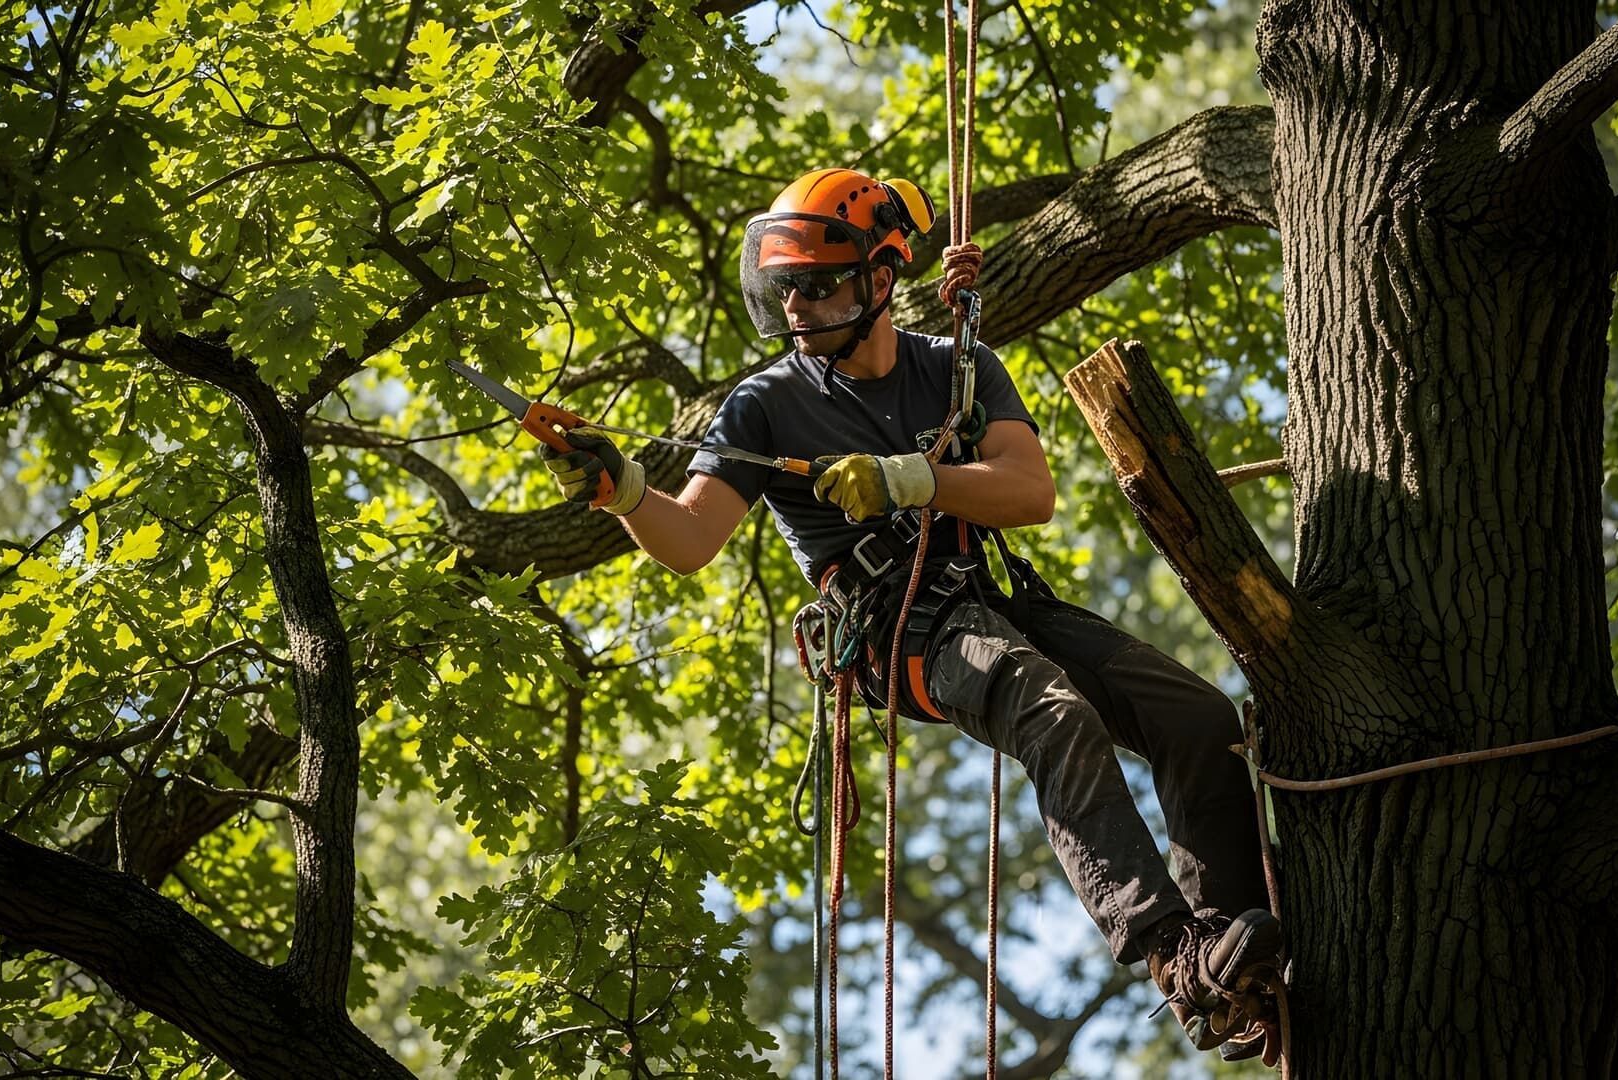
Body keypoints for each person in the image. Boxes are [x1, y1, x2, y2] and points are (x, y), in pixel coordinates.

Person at [541, 167, 1284, 1058]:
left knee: (1199, 718)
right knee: (1053, 713)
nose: (799, 310)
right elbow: (695, 535)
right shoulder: (767, 402)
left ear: (880, 281)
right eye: (786, 293)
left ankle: (1238, 967)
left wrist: (915, 476)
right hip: (904, 635)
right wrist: (622, 490)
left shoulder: (954, 371)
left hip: (991, 597)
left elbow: (1030, 489)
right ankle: (1172, 953)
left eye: (817, 287)